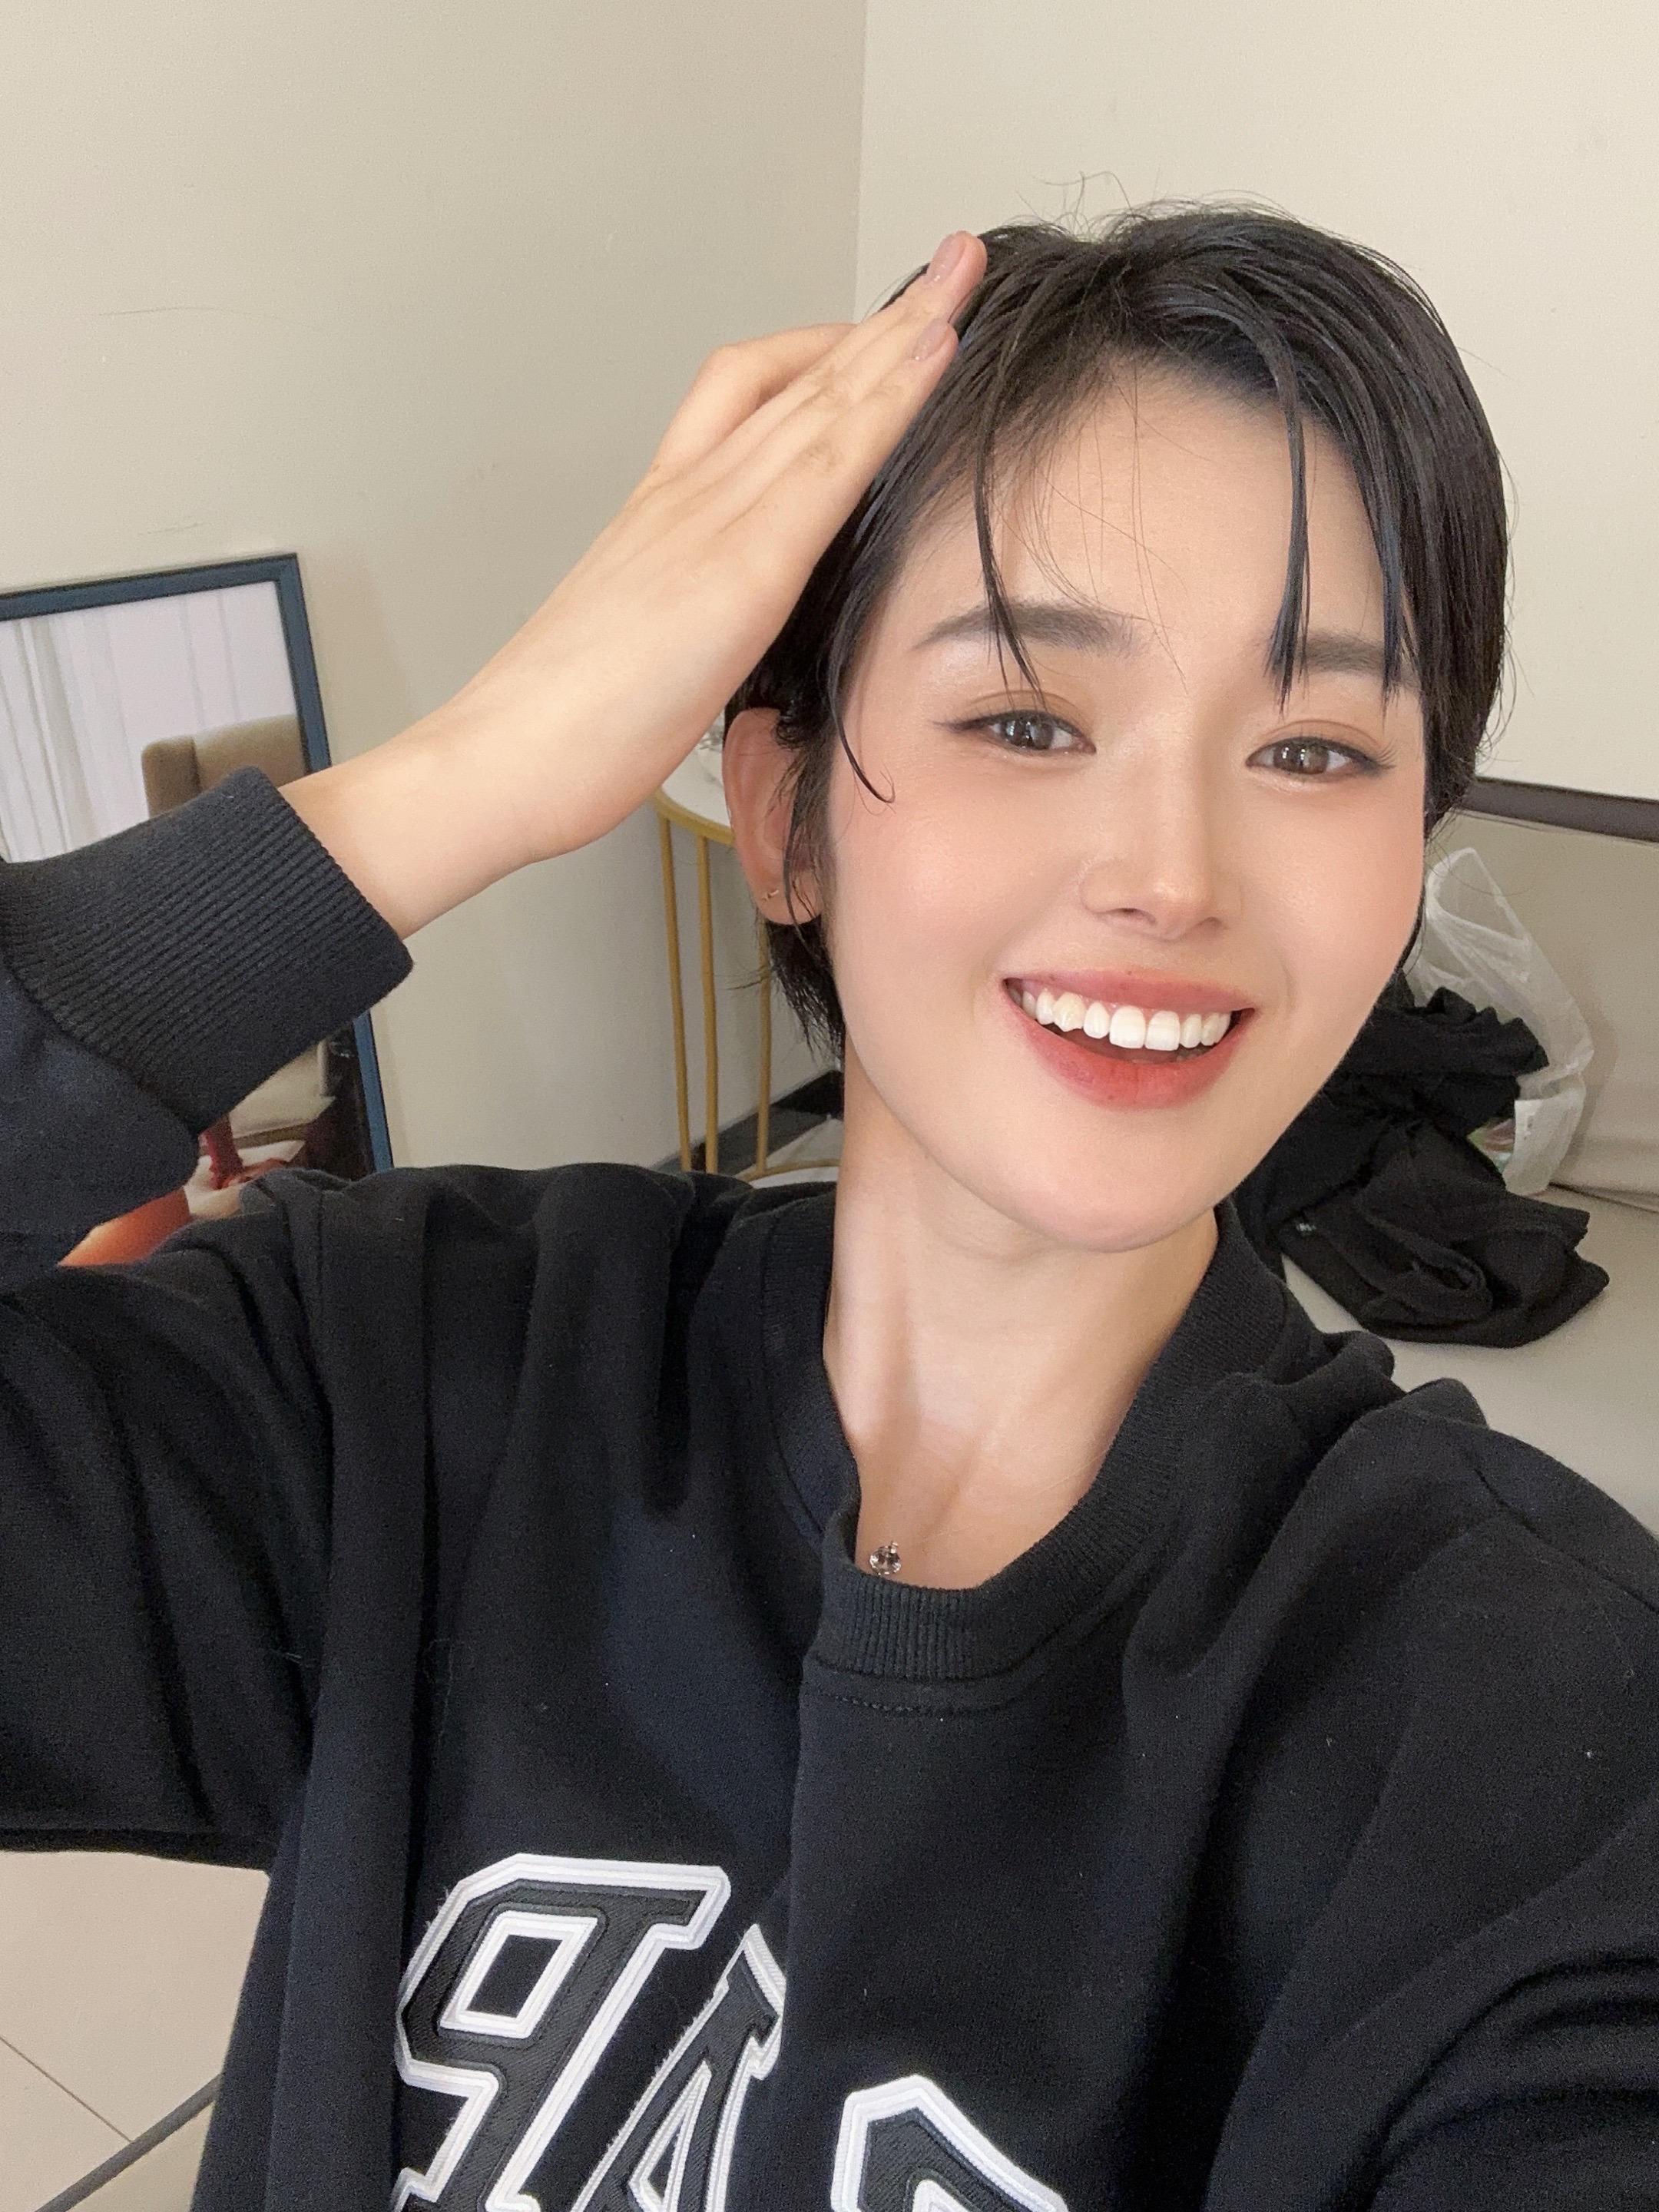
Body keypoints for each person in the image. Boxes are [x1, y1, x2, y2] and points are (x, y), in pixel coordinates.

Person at [3, 209, 1657, 2212]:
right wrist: (465, 776)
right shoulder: (396, 1381)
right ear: (783, 816)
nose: (1172, 874)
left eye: (1313, 748)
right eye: (1026, 718)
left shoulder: (1529, 1729)